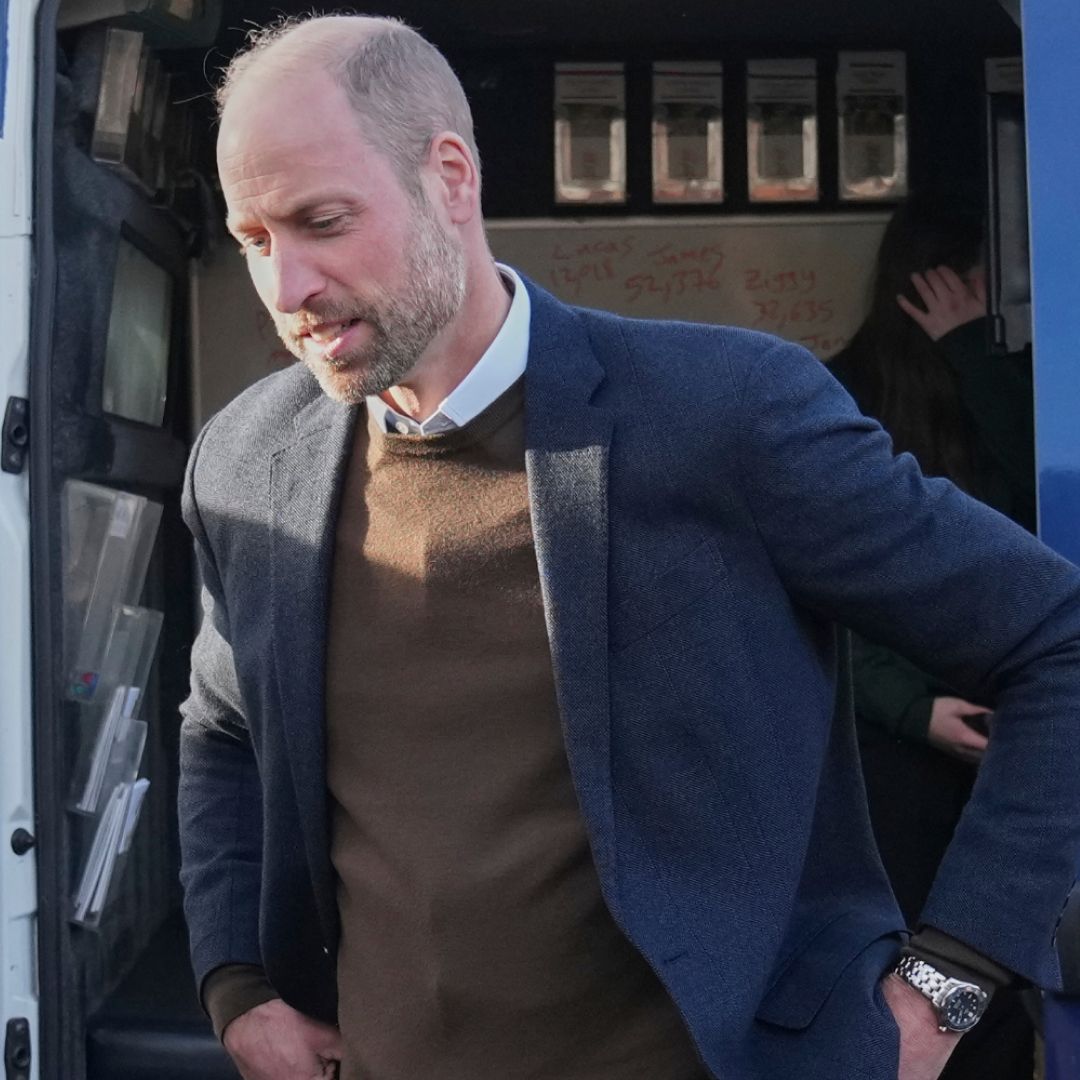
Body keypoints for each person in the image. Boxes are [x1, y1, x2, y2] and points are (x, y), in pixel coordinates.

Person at [179, 15, 1080, 1080]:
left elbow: (1056, 642)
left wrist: (949, 982)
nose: (286, 287)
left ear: (450, 177)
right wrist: (239, 987)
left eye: (322, 222)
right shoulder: (246, 462)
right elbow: (223, 729)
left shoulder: (724, 412)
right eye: (253, 240)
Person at [829, 198, 1038, 1079]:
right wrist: (916, 709)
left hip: (1015, 715)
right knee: (905, 951)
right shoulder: (837, 395)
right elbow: (822, 596)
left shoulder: (1003, 382)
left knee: (996, 962)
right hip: (892, 740)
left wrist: (976, 356)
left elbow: (1052, 489)